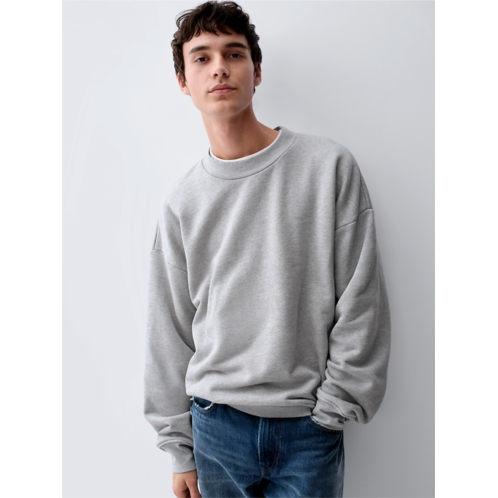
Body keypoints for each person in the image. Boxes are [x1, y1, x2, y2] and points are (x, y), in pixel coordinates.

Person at [144, 2, 391, 497]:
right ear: (183, 82)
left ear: (256, 72)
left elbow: (362, 297)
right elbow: (168, 331)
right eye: (202, 57)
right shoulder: (181, 203)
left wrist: (334, 408)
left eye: (233, 54)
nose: (219, 67)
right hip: (215, 428)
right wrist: (179, 449)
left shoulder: (327, 168)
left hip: (309, 427)